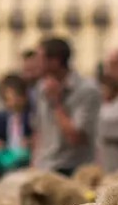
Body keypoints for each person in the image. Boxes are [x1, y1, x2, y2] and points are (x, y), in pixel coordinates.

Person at [33, 37, 99, 174]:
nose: (35, 64)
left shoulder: (87, 90)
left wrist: (56, 103)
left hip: (72, 169)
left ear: (55, 61)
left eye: (39, 59)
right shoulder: (41, 87)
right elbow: (39, 131)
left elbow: (76, 138)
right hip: (44, 166)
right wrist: (33, 163)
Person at [0, 73, 33, 156]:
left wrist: (28, 141)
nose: (10, 103)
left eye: (12, 98)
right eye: (6, 99)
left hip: (24, 154)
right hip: (7, 154)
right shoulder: (2, 118)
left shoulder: (29, 116)